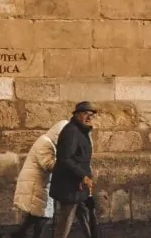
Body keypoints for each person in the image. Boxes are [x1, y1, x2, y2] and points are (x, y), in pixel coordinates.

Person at [10, 119, 69, 238]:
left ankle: (18, 234)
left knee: (37, 213)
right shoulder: (45, 143)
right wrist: (64, 160)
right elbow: (48, 165)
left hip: (39, 182)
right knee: (43, 215)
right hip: (36, 183)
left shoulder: (49, 142)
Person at [49, 101, 96, 238]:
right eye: (85, 114)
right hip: (69, 186)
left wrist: (86, 176)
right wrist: (83, 176)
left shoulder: (81, 131)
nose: (89, 118)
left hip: (79, 186)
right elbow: (65, 159)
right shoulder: (72, 131)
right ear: (77, 115)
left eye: (91, 115)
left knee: (86, 216)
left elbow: (81, 158)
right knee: (64, 223)